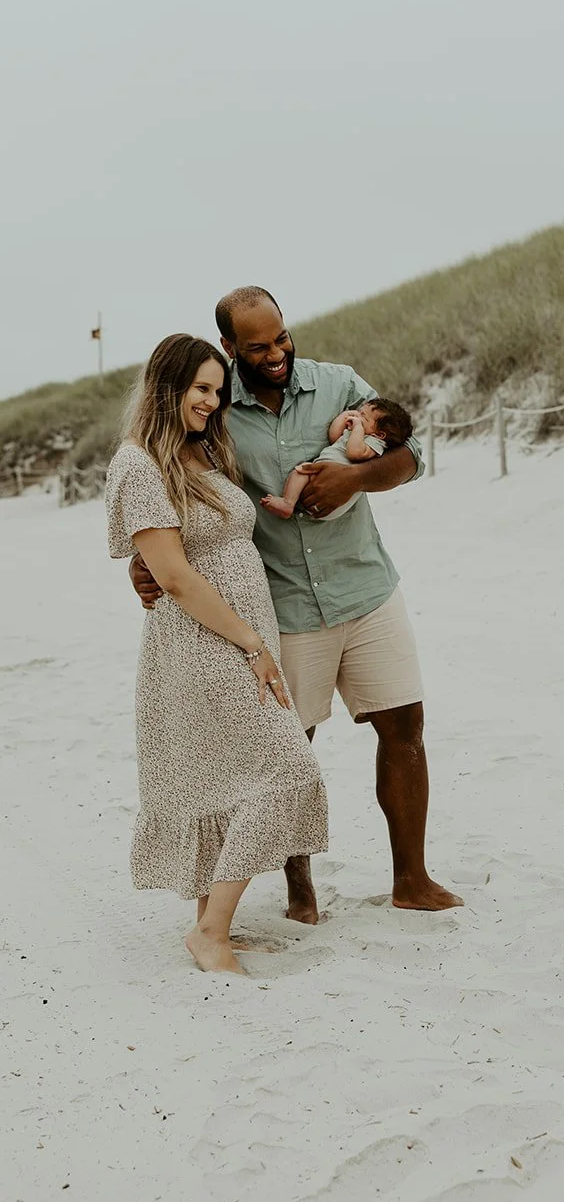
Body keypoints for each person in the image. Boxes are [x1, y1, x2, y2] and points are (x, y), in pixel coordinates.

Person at [130, 287, 460, 920]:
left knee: (404, 728)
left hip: (365, 588)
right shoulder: (218, 403)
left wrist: (355, 477)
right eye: (258, 346)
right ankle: (299, 887)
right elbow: (177, 480)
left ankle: (411, 880)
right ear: (230, 347)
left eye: (282, 337)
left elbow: (409, 457)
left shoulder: (338, 386)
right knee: (290, 746)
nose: (277, 353)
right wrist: (148, 562)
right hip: (281, 605)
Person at [106, 334, 329, 975]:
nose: (210, 401)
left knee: (224, 778)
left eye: (216, 389)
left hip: (239, 635)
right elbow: (172, 575)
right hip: (203, 646)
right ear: (166, 387)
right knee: (288, 769)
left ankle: (212, 927)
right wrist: (252, 643)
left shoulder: (198, 452)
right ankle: (211, 932)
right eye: (199, 389)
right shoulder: (138, 464)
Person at [260, 398, 414, 521]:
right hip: (319, 474)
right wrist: (343, 417)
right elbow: (334, 437)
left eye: (363, 417)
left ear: (380, 434)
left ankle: (288, 503)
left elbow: (354, 453)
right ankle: (288, 502)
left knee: (303, 470)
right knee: (300, 471)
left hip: (336, 495)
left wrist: (358, 428)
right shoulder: (356, 433)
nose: (357, 417)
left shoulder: (374, 443)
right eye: (359, 412)